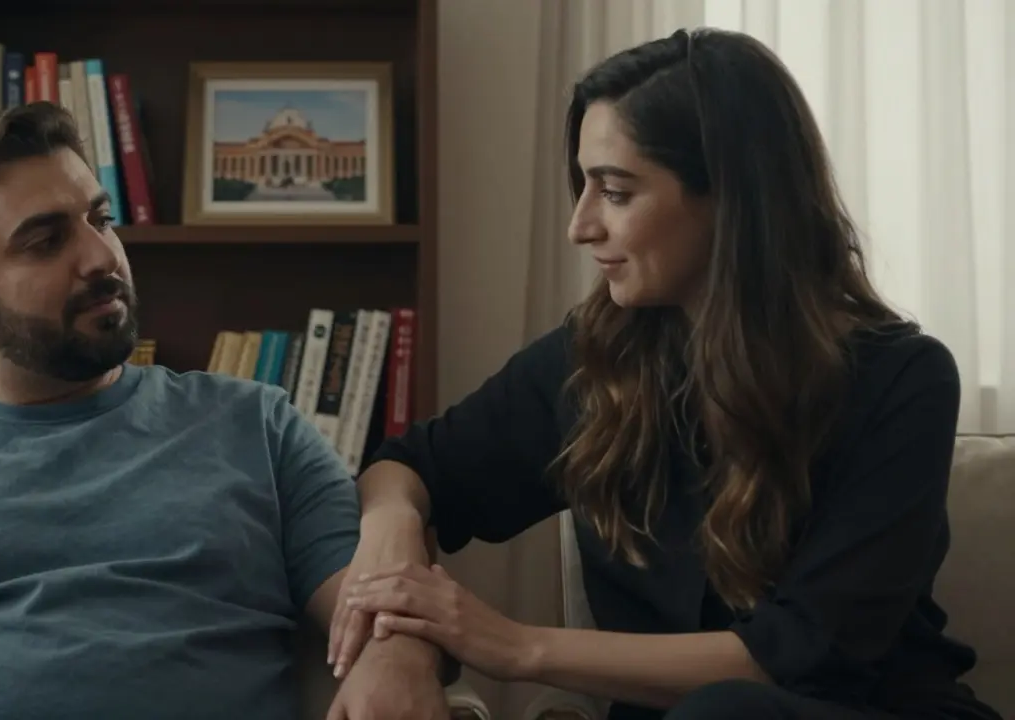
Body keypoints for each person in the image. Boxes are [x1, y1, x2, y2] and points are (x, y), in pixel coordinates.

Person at [325, 28, 1002, 720]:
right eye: (582, 186)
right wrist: (392, 571)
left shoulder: (903, 380)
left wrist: (515, 645)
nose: (580, 226)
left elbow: (800, 656)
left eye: (615, 192)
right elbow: (407, 471)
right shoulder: (592, 360)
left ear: (730, 201)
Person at [0, 102, 449, 720]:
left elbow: (375, 602)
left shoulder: (256, 426)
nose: (100, 256)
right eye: (47, 240)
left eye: (100, 218)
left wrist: (398, 655)